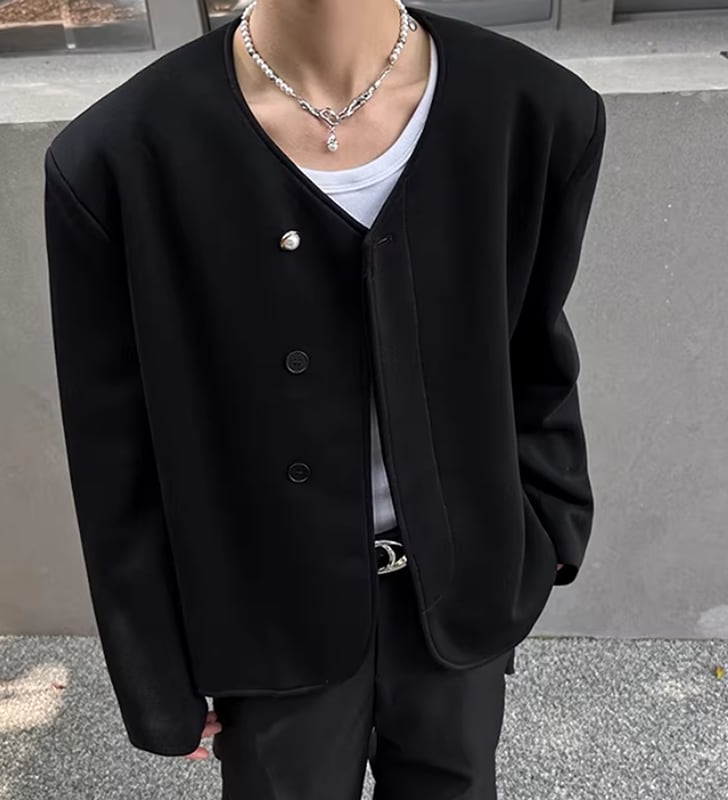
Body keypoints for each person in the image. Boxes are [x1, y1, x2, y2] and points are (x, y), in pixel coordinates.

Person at [43, 1, 606, 797]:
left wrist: (550, 530)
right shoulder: (120, 156)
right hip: (264, 614)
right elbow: (114, 451)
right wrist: (153, 669)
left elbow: (532, 349)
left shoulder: (534, 111)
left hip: (458, 594)